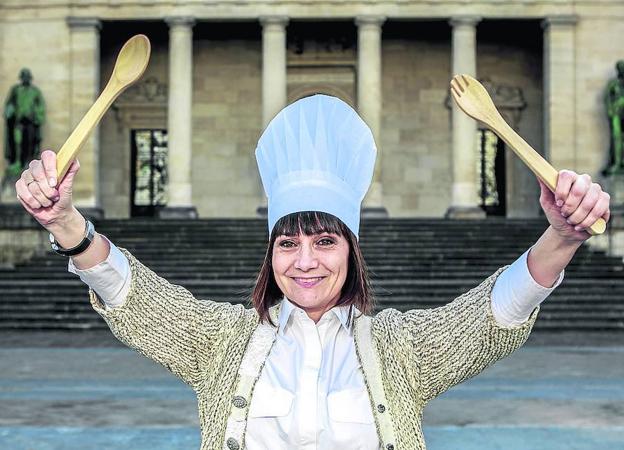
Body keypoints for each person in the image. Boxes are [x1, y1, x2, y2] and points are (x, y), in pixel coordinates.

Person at [16, 95, 610, 450]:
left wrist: (562, 234)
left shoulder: (399, 349)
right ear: (269, 251)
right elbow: (130, 294)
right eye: (287, 242)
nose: (304, 261)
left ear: (351, 250)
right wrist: (68, 222)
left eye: (325, 241)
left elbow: (494, 310)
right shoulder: (221, 341)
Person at [4, 68, 46, 177]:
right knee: (18, 142)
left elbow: (41, 105)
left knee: (30, 143)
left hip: (31, 122)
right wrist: (10, 111)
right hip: (19, 122)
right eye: (24, 77)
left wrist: (37, 115)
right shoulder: (16, 90)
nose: (25, 79)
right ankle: (18, 162)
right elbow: (9, 103)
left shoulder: (35, 91)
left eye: (27, 77)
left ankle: (29, 162)